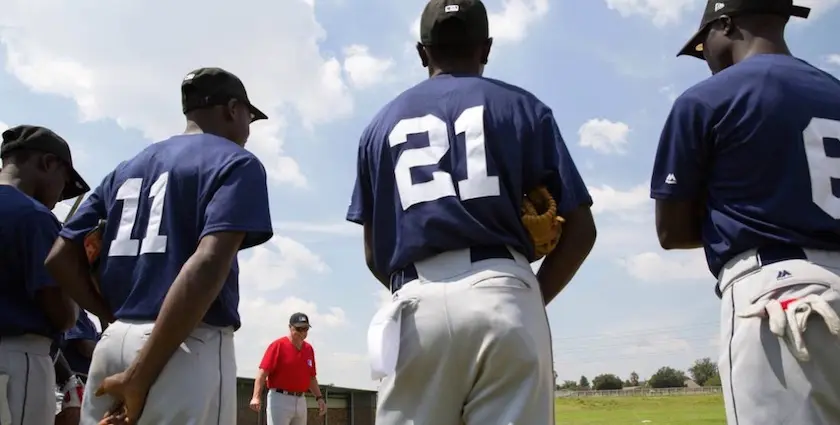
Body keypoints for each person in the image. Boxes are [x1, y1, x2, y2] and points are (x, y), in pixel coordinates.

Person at [346, 1, 596, 424]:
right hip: (504, 289)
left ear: (422, 52)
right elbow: (581, 231)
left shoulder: (378, 126)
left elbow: (374, 254)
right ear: (487, 48)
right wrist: (524, 294)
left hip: (414, 303)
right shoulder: (523, 108)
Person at [44, 67, 274, 424]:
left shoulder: (127, 167)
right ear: (232, 109)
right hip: (181, 345)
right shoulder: (235, 161)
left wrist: (108, 315)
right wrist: (141, 371)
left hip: (115, 340)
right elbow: (208, 262)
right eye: (249, 116)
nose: (247, 128)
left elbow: (59, 256)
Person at [651, 0, 840, 423]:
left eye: (704, 45)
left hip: (779, 294)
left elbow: (671, 231)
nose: (705, 57)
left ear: (725, 24)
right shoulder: (834, 87)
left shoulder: (706, 98)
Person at [0, 124, 89, 425]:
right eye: (63, 184)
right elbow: (61, 314)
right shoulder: (35, 217)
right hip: (15, 359)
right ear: (47, 163)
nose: (59, 197)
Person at [250, 313, 326, 425]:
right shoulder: (278, 345)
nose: (302, 332)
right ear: (290, 327)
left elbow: (311, 378)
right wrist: (256, 397)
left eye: (305, 329)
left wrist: (319, 398)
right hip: (280, 398)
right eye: (299, 329)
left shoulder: (308, 349)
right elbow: (262, 374)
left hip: (301, 399)